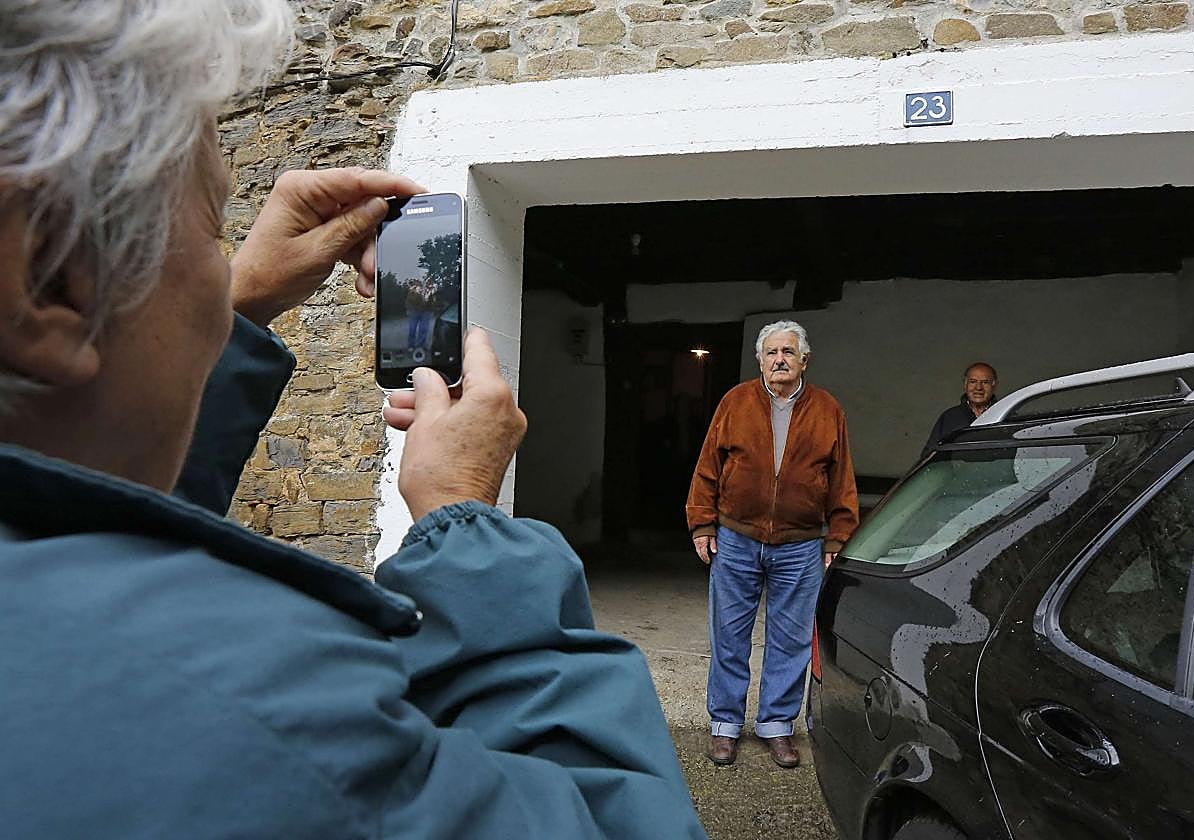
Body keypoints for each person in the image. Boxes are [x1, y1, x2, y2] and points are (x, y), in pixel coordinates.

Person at [0, 3, 706, 838]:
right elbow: (608, 820)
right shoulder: (266, 702)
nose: (226, 273)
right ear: (48, 276)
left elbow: (89, 530)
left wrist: (242, 309)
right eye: (211, 228)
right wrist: (464, 520)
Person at [686, 321, 858, 768]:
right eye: (772, 352)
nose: (779, 360)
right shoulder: (735, 401)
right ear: (760, 360)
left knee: (791, 637)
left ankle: (776, 725)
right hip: (736, 537)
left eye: (788, 352)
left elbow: (841, 477)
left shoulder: (827, 409)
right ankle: (725, 725)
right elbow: (708, 466)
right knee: (729, 634)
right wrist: (702, 524)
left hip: (800, 544)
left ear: (805, 360)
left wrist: (839, 534)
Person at [920, 362, 1000, 459]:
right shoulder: (950, 417)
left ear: (994, 385)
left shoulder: (1006, 415)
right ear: (965, 384)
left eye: (985, 382)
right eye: (973, 382)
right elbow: (930, 454)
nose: (979, 388)